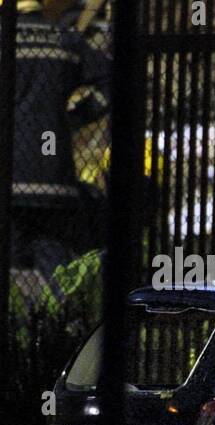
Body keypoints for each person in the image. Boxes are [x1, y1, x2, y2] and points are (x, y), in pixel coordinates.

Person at [9, 0, 110, 279]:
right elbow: (109, 81)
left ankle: (20, 319)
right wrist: (78, 116)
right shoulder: (65, 40)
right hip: (53, 173)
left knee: (12, 262)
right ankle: (63, 314)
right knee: (52, 254)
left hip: (10, 170)